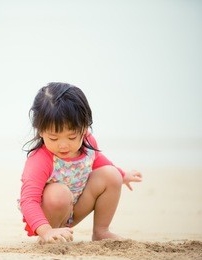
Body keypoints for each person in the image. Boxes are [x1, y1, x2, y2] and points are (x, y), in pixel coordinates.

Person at [19, 82, 142, 244]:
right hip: (46, 218)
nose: (63, 145)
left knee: (111, 175)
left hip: (75, 207)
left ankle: (101, 231)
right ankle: (50, 237)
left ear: (84, 128)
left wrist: (122, 174)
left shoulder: (87, 142)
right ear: (40, 130)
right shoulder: (40, 159)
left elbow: (99, 161)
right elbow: (28, 201)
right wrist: (46, 230)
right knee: (59, 193)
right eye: (54, 138)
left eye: (71, 137)